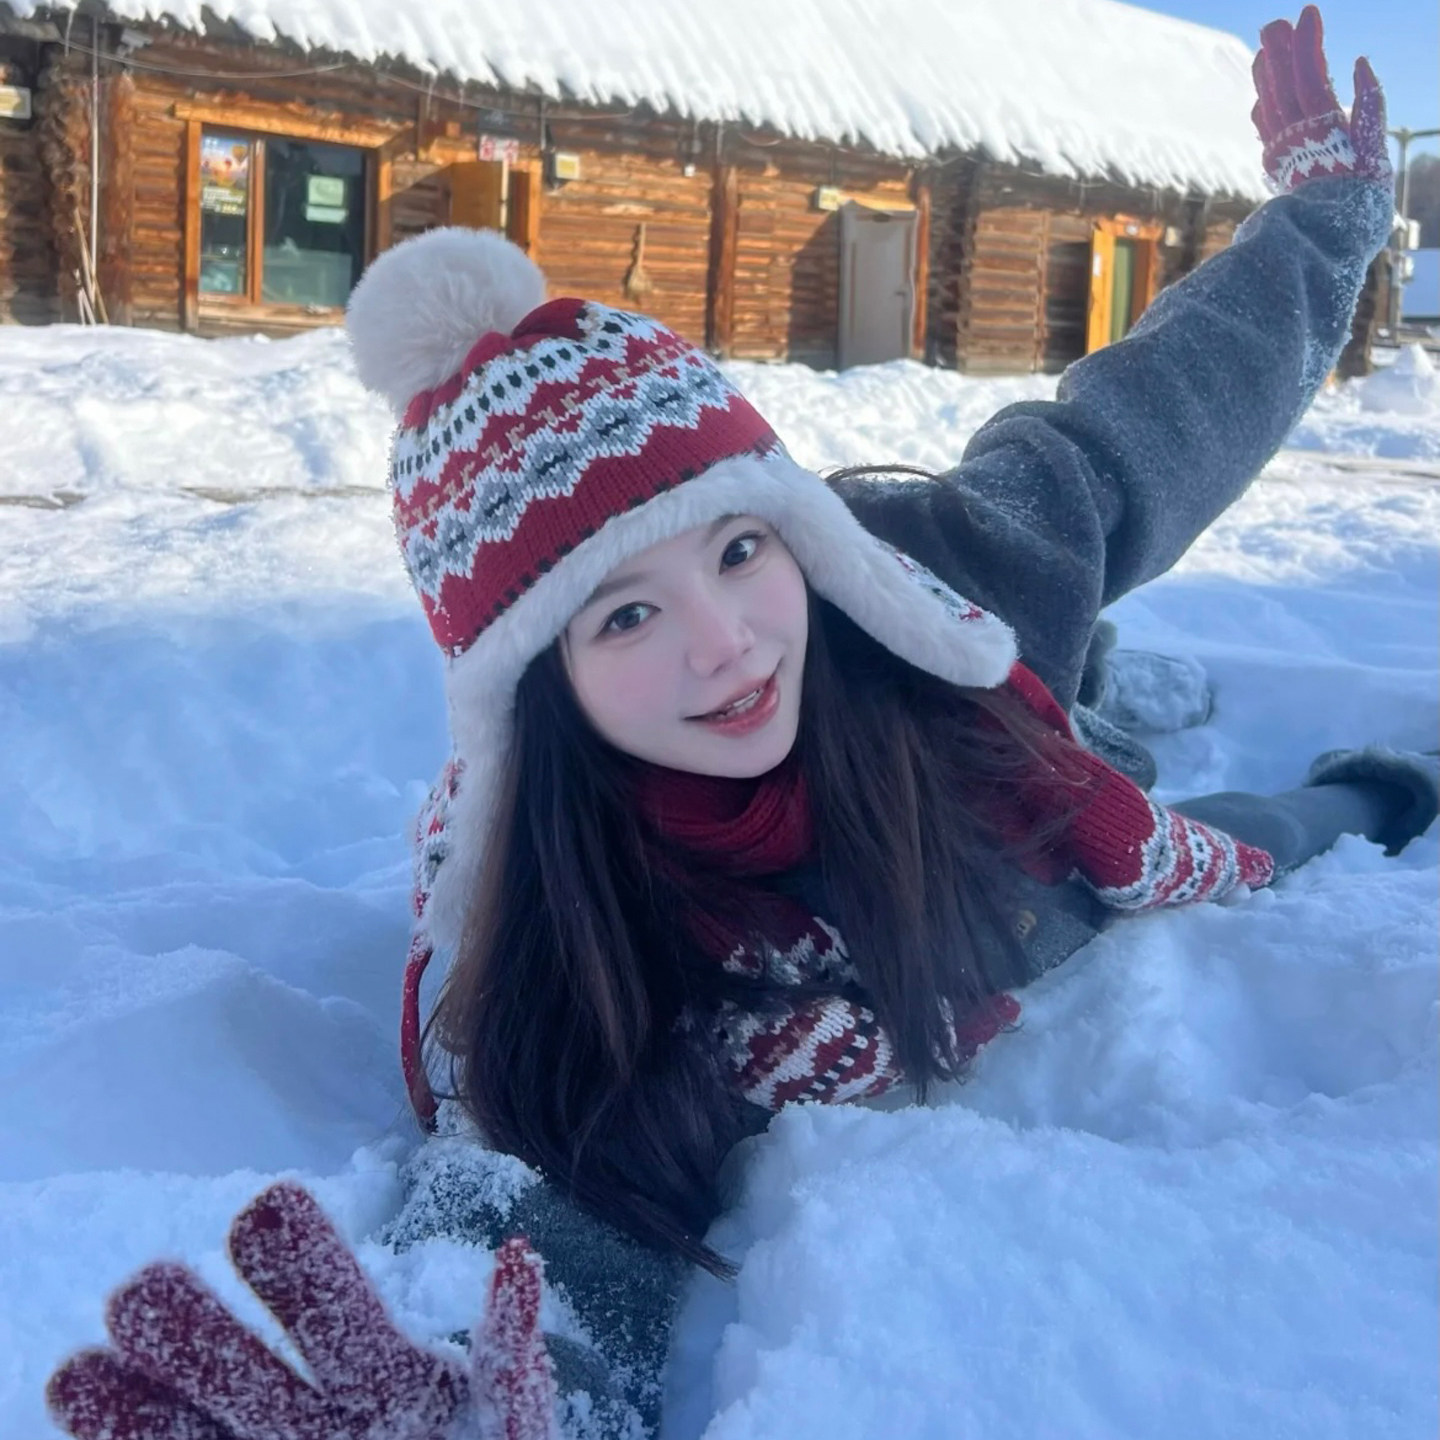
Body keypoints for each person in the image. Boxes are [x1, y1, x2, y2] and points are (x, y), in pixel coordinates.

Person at [45, 11, 1437, 1440]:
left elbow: (1142, 433)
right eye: (623, 617)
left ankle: (1120, 687)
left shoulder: (929, 579)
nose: (723, 644)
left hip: (984, 732)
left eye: (735, 551)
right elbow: (527, 1185)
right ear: (541, 691)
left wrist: (1326, 228)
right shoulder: (560, 909)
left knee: (1152, 751)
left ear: (803, 539)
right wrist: (480, 1386)